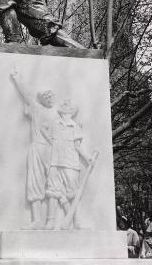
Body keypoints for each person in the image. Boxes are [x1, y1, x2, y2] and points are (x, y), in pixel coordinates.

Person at [10, 67, 58, 229]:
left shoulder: (58, 114)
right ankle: (37, 220)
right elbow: (28, 95)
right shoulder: (37, 109)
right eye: (47, 96)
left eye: (52, 95)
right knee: (35, 183)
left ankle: (52, 220)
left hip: (52, 150)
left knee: (53, 184)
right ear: (42, 99)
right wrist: (17, 79)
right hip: (38, 148)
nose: (50, 98)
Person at [45, 99, 93, 230]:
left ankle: (76, 221)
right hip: (55, 162)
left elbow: (78, 146)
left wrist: (87, 157)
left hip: (71, 163)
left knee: (73, 193)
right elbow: (48, 142)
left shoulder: (75, 126)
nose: (63, 105)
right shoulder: (54, 124)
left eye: (67, 105)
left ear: (71, 112)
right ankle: (50, 221)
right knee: (53, 192)